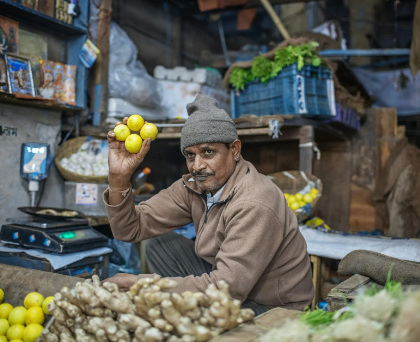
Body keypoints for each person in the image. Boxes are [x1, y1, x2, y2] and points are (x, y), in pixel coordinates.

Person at [104, 94, 314, 315]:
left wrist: (141, 283)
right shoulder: (195, 186)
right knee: (161, 246)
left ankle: (188, 316)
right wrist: (119, 178)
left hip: (274, 307)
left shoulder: (255, 201)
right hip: (232, 285)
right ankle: (185, 312)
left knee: (202, 313)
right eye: (190, 155)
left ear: (234, 150)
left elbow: (227, 289)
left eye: (208, 152)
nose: (198, 166)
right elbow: (129, 229)